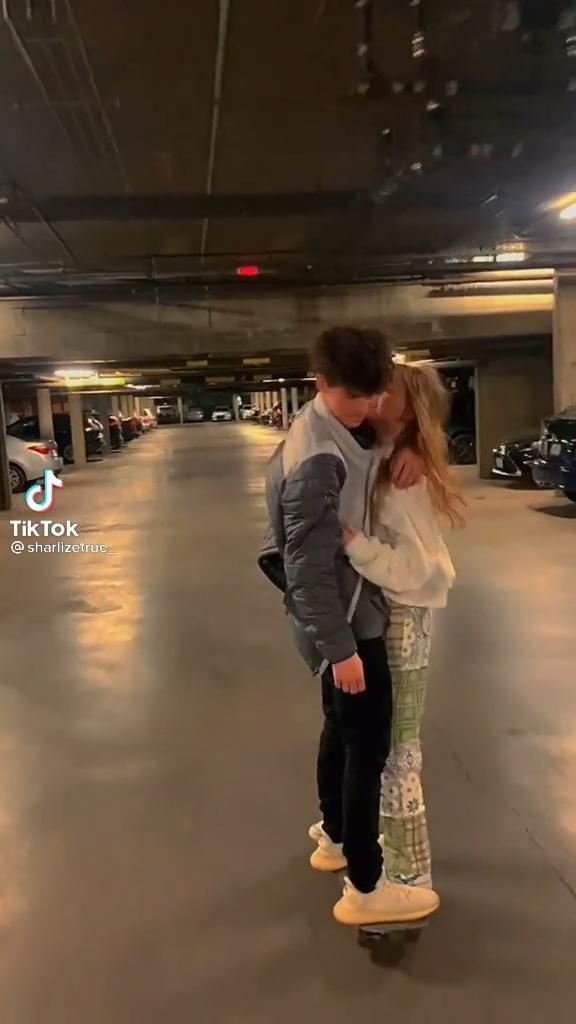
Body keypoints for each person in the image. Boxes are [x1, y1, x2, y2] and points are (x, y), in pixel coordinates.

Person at [258, 327, 439, 927]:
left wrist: (412, 438)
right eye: (353, 398)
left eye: (371, 396)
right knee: (368, 748)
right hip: (346, 623)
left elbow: (406, 410)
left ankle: (334, 837)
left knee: (339, 731)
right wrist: (343, 651)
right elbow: (305, 569)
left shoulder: (329, 423)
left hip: (341, 616)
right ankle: (365, 886)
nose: (364, 410)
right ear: (320, 384)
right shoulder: (318, 458)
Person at [343, 362, 463, 890]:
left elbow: (415, 567)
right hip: (394, 611)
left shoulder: (405, 476)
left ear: (409, 405)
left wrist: (354, 545)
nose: (371, 393)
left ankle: (410, 874)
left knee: (398, 748)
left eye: (382, 388)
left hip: (405, 615)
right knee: (388, 744)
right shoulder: (386, 455)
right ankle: (398, 861)